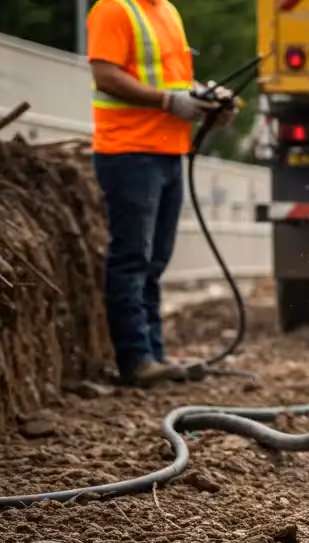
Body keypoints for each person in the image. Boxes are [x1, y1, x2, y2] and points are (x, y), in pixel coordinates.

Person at [86, 0, 234, 386]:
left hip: (167, 151)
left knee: (155, 262)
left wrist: (205, 99)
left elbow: (172, 81)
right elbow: (106, 76)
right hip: (129, 153)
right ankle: (136, 360)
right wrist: (170, 102)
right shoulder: (114, 9)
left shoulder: (166, 11)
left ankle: (154, 354)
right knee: (132, 258)